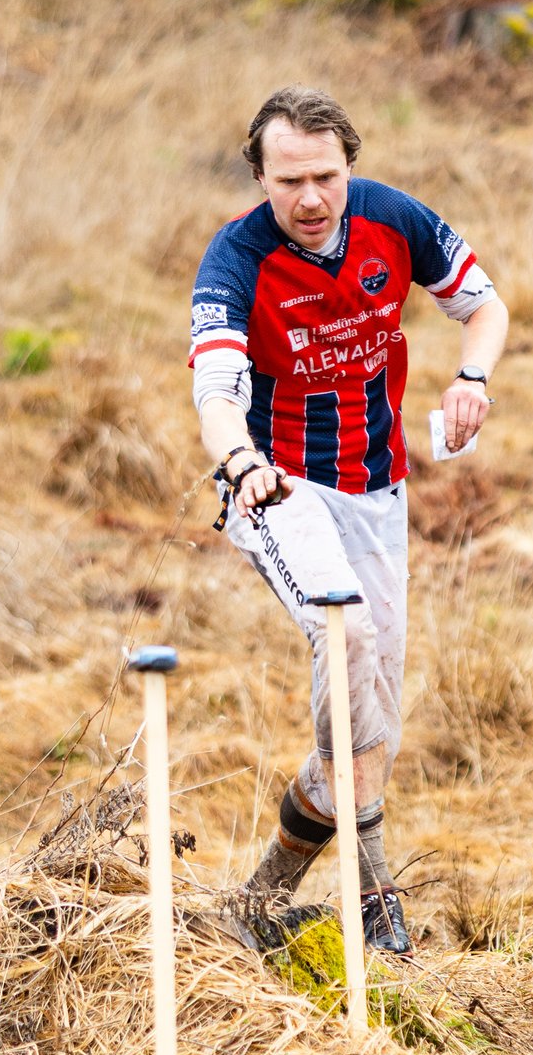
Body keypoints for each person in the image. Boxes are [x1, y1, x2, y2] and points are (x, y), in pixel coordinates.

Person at [188, 86, 509, 953]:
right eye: (288, 179)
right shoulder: (234, 259)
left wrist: (470, 379)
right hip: (278, 487)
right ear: (260, 175)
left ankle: (254, 908)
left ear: (349, 165)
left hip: (378, 486)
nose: (311, 198)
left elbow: (485, 306)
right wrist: (241, 462)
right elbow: (216, 390)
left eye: (325, 175)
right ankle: (378, 904)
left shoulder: (392, 221)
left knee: (374, 740)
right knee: (348, 637)